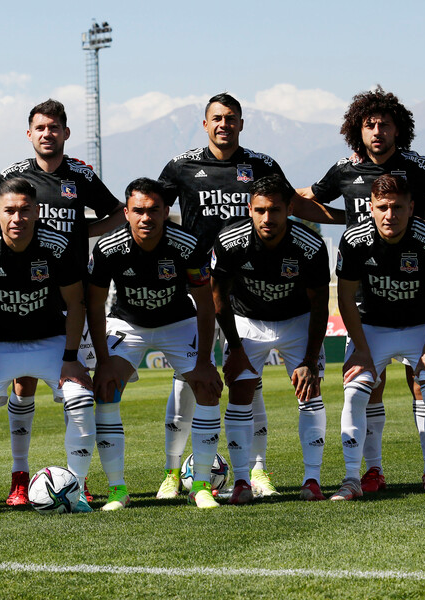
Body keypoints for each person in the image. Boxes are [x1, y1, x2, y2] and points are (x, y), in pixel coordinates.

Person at [155, 93, 331, 499]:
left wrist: (355, 216)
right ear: (205, 124)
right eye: (216, 118)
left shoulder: (263, 166)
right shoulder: (181, 166)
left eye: (231, 118)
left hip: (253, 292)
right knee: (187, 381)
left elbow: (296, 205)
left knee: (249, 386)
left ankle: (257, 471)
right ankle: (170, 471)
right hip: (200, 288)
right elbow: (151, 208)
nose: (224, 124)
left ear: (241, 123)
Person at [0, 99, 124, 507]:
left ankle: (76, 485)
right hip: (7, 327)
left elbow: (119, 214)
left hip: (65, 299)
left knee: (78, 390)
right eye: (40, 127)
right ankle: (7, 483)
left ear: (65, 133)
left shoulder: (81, 175)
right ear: (29, 134)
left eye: (54, 127)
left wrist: (82, 233)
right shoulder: (11, 179)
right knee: (18, 387)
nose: (47, 133)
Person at [296, 86, 425, 492]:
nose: (378, 131)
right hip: (369, 303)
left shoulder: (419, 167)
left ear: (399, 130)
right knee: (370, 385)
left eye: (385, 124)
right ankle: (369, 471)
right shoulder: (344, 170)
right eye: (370, 125)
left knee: (424, 384)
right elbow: (309, 200)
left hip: (417, 304)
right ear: (357, 131)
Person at [0, 178, 94, 517]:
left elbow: (75, 303)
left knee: (80, 398)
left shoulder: (57, 246)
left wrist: (71, 358)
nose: (17, 218)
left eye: (24, 210)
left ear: (36, 212)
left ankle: (75, 490)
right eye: (9, 211)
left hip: (51, 342)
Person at [87, 178, 223, 509]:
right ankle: (118, 490)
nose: (146, 218)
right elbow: (93, 305)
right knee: (105, 387)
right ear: (126, 213)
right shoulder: (107, 248)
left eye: (153, 210)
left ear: (165, 212)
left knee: (206, 386)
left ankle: (201, 485)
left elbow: (205, 304)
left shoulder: (187, 245)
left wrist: (205, 360)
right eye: (138, 211)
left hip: (178, 322)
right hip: (128, 324)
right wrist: (103, 361)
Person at [335, 174, 425, 500]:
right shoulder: (353, 240)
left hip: (420, 327)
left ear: (412, 208)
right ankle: (353, 479)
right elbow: (345, 298)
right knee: (355, 392)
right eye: (384, 207)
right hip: (372, 328)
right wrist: (360, 349)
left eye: (398, 207)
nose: (391, 215)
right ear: (371, 208)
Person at [212, 175, 330, 504]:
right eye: (260, 210)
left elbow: (321, 306)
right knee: (240, 391)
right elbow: (218, 296)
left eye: (275, 210)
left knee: (310, 392)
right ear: (249, 209)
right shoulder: (230, 241)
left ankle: (313, 480)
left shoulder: (311, 246)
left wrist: (309, 361)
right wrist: (234, 348)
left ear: (289, 209)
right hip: (247, 322)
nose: (268, 218)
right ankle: (240, 482)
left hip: (298, 321)